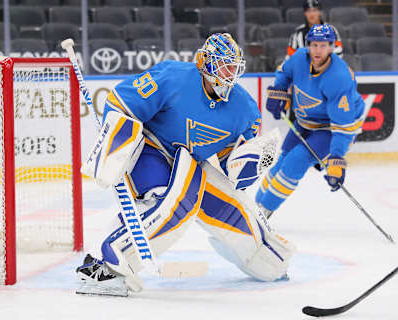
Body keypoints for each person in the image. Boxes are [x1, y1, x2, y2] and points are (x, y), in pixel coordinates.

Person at [76, 33, 295, 295]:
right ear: (205, 62)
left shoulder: (245, 110)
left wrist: (250, 163)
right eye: (224, 64)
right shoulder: (173, 76)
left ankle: (267, 259)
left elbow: (231, 167)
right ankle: (102, 265)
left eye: (234, 66)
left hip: (189, 162)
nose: (230, 72)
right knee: (169, 202)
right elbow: (121, 103)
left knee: (235, 209)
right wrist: (116, 144)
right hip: (152, 149)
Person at [255, 24, 365, 219]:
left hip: (333, 127)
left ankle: (264, 212)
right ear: (308, 45)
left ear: (332, 47)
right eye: (314, 45)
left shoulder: (339, 78)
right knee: (282, 161)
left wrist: (336, 159)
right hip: (306, 121)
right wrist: (278, 91)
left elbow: (342, 126)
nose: (318, 50)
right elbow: (284, 72)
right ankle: (254, 205)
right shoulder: (299, 58)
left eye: (323, 46)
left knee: (296, 160)